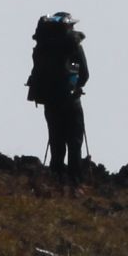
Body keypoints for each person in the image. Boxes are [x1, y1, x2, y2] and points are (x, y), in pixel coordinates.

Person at [28, 12, 89, 176]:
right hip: (70, 101)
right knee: (74, 142)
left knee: (56, 141)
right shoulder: (73, 44)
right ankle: (74, 182)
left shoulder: (43, 46)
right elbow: (85, 74)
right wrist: (76, 85)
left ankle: (56, 178)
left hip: (50, 100)